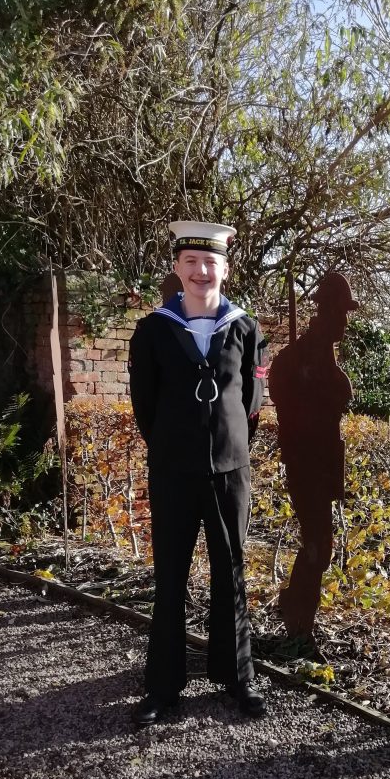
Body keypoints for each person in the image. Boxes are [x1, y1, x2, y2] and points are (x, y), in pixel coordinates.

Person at [128, 221, 268, 726]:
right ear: (177, 269)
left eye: (210, 263)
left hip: (231, 472)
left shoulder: (246, 328)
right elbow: (144, 403)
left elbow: (252, 401)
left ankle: (237, 678)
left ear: (224, 269)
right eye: (191, 262)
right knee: (170, 576)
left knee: (231, 572)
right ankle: (163, 688)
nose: (201, 271)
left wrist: (228, 446)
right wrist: (174, 445)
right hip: (173, 473)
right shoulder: (152, 330)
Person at [268, 272, 358, 645]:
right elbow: (281, 394)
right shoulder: (299, 358)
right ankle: (297, 619)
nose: (346, 321)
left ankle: (297, 611)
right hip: (306, 464)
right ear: (328, 311)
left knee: (321, 543)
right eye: (342, 312)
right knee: (319, 544)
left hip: (322, 463)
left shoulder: (321, 355)